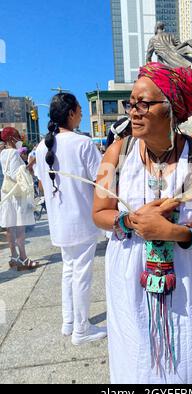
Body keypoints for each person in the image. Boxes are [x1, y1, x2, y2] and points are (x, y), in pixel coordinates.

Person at [93, 62, 192, 384]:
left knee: (187, 356)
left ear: (172, 109)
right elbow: (99, 211)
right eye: (131, 103)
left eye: (144, 103)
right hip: (129, 277)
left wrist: (175, 232)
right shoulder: (117, 153)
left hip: (186, 278)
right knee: (134, 358)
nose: (133, 111)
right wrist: (132, 221)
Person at [35, 93, 107, 345]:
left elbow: (43, 183)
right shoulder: (82, 143)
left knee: (69, 270)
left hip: (59, 221)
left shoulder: (42, 146)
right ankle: (81, 329)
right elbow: (103, 180)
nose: (82, 114)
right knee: (81, 274)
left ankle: (69, 322)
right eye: (79, 109)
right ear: (70, 113)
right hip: (81, 220)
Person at [0, 127, 37, 269]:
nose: (19, 140)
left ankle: (14, 257)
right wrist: (31, 164)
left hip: (7, 192)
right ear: (10, 139)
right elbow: (18, 175)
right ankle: (23, 259)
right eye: (16, 136)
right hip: (16, 195)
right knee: (20, 227)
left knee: (10, 226)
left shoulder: (3, 153)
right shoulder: (14, 154)